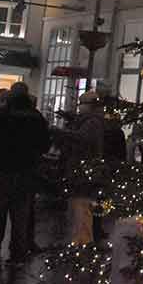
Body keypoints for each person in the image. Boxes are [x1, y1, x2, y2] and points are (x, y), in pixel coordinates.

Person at [0, 83, 50, 267]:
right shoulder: (36, 119)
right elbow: (44, 145)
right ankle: (18, 255)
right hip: (26, 173)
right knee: (20, 217)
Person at [57, 91, 106, 245]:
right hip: (82, 171)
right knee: (79, 209)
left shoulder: (92, 122)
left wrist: (62, 133)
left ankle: (82, 243)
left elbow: (82, 140)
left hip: (83, 172)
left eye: (82, 103)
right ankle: (80, 241)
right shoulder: (89, 121)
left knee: (81, 209)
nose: (79, 107)